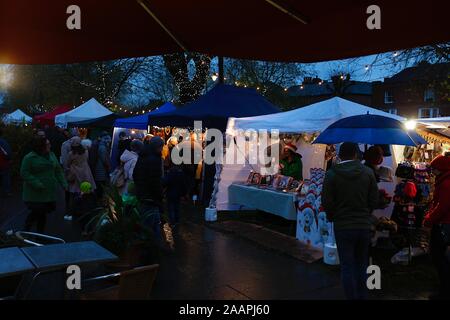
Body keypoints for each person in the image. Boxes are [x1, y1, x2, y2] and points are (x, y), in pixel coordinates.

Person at [322, 142, 379, 300]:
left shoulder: (332, 173)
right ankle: (362, 296)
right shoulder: (368, 172)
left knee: (347, 265)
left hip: (342, 225)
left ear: (340, 155)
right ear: (356, 154)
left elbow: (327, 201)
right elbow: (374, 200)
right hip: (363, 225)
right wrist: (366, 214)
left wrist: (333, 216)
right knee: (362, 263)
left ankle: (351, 297)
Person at [20, 136, 67, 233]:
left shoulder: (52, 155)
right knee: (38, 212)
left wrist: (64, 183)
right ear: (41, 146)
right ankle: (26, 230)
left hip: (48, 191)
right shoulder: (29, 157)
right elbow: (24, 172)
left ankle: (38, 234)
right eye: (47, 144)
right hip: (35, 192)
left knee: (42, 213)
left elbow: (58, 170)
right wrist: (36, 183)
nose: (50, 145)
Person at [423, 153, 450, 299]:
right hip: (444, 223)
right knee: (441, 257)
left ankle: (444, 292)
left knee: (439, 257)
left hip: (444, 225)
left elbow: (443, 206)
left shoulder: (446, 183)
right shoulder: (444, 181)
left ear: (441, 168)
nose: (432, 171)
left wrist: (429, 219)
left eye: (435, 168)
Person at [133, 136, 164, 240]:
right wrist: (159, 195)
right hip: (151, 197)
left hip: (142, 194)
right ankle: (152, 248)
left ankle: (150, 246)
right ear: (158, 147)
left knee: (146, 221)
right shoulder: (154, 159)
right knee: (152, 224)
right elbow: (154, 181)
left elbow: (135, 174)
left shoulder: (142, 156)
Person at [63, 136, 96, 221]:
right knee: (84, 193)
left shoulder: (71, 153)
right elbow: (87, 160)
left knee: (73, 194)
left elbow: (67, 163)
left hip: (75, 173)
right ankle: (82, 211)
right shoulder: (86, 151)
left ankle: (71, 212)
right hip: (86, 173)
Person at [94, 133, 112, 199]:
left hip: (100, 170)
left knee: (99, 187)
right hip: (101, 170)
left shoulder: (101, 146)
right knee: (100, 188)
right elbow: (104, 160)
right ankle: (98, 202)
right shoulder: (103, 147)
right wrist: (108, 167)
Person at [0, 127, 12, 197]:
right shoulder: (4, 142)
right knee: (6, 177)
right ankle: (7, 191)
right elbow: (8, 153)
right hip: (4, 163)